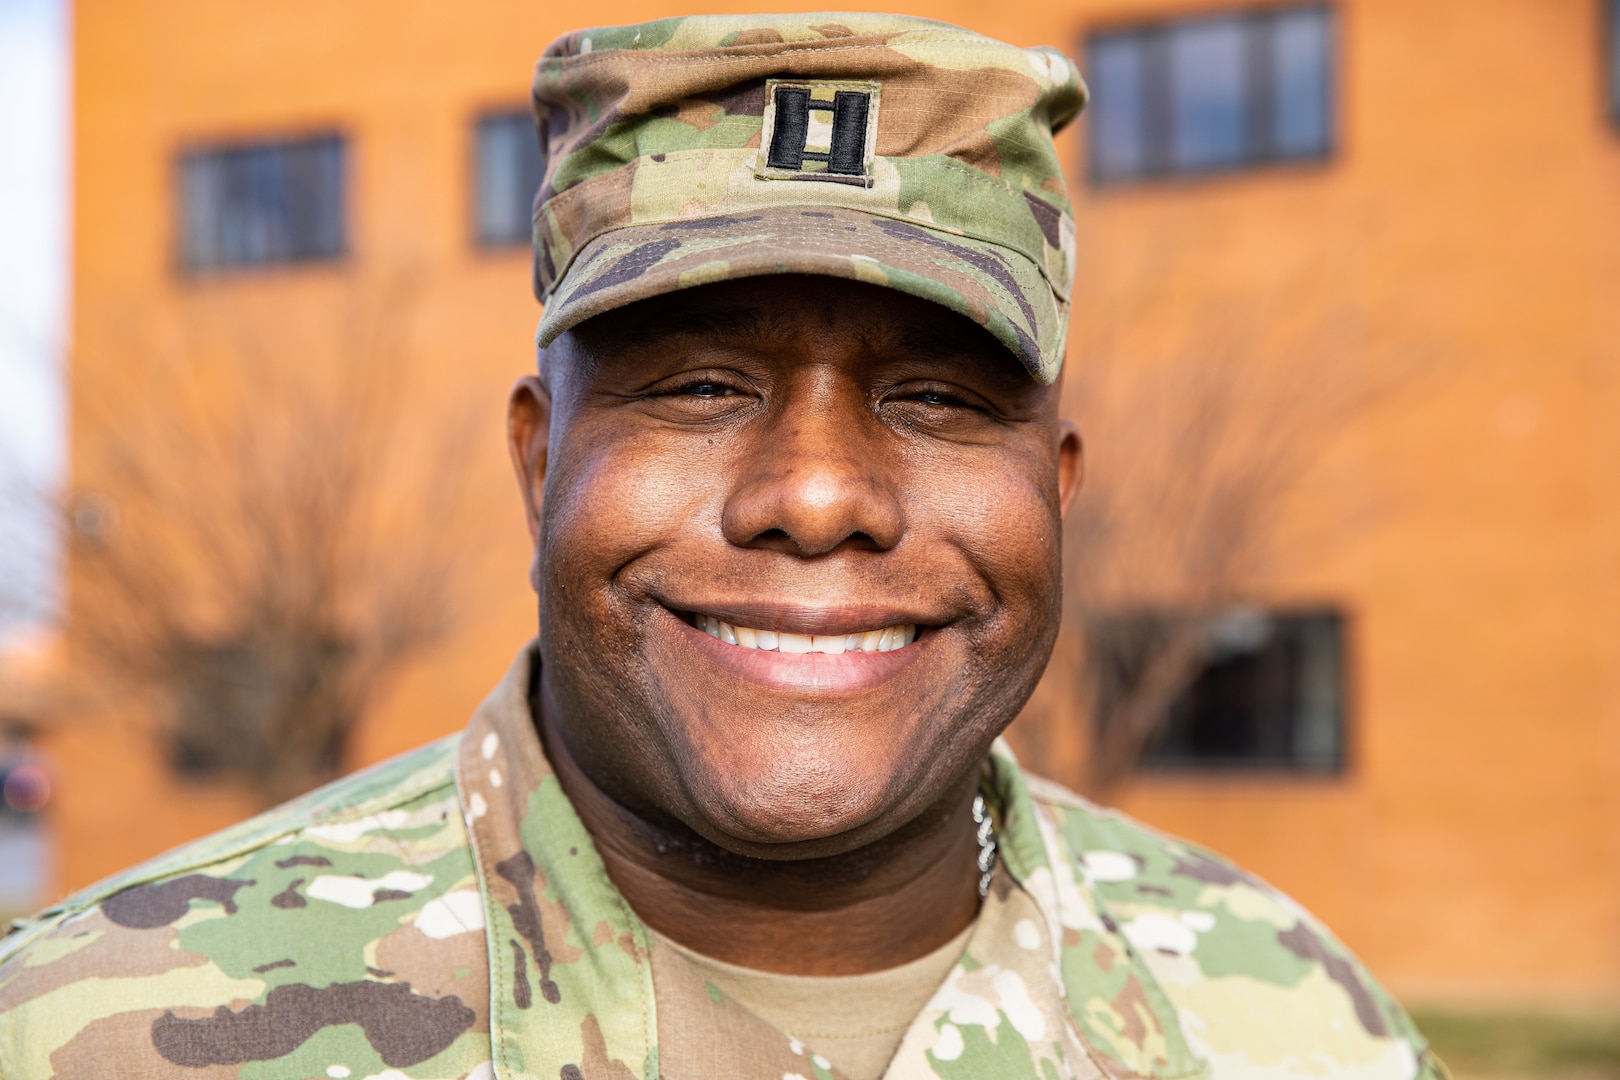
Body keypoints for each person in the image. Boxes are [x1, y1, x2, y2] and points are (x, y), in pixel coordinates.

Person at [0, 14, 1445, 1079]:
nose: (817, 498)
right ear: (539, 465)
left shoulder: (1297, 1022)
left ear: (1055, 496)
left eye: (937, 396)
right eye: (699, 386)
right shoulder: (94, 1030)